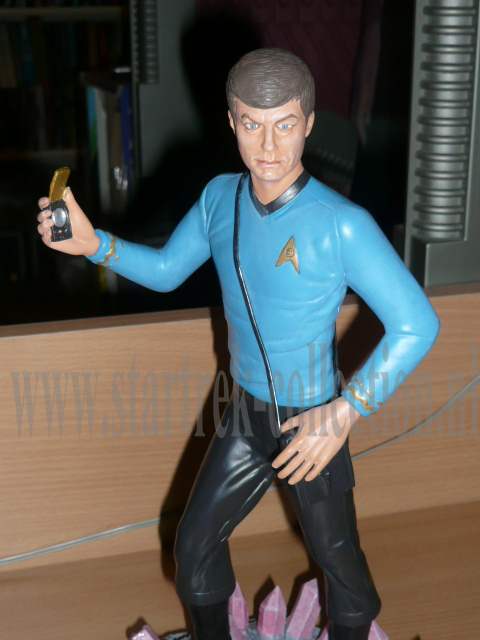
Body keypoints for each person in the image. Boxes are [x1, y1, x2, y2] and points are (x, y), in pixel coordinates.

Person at [37, 48, 440, 640]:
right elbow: (168, 271)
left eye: (285, 125)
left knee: (338, 559)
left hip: (312, 419)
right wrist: (96, 244)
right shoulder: (218, 199)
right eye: (252, 124)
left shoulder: (340, 223)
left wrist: (345, 412)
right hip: (246, 413)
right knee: (194, 545)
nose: (269, 146)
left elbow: (418, 323)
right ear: (231, 122)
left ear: (309, 124)